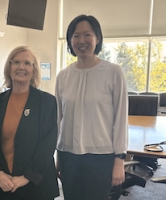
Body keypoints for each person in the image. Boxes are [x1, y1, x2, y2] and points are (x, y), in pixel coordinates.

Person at [55, 15, 128, 200]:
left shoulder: (113, 72)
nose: (81, 40)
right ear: (70, 41)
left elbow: (120, 119)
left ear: (97, 38)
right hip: (68, 155)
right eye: (76, 35)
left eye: (87, 34)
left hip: (100, 156)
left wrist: (119, 160)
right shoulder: (63, 76)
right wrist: (56, 154)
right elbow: (58, 119)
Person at [0, 46, 59, 200]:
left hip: (36, 185)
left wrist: (27, 177)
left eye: (27, 63)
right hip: (5, 184)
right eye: (16, 62)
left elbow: (48, 143)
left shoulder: (46, 102)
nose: (21, 67)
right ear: (9, 67)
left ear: (34, 70)